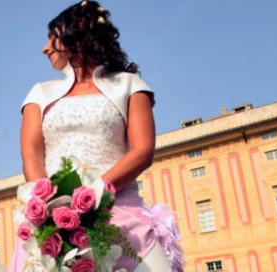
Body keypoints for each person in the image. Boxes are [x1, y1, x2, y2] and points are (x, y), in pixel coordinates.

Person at [11, 1, 183, 271]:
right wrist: (50, 209)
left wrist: (94, 194)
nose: (44, 48)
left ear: (77, 33)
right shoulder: (39, 94)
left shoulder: (129, 85)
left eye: (52, 37)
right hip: (55, 225)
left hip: (122, 216)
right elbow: (31, 153)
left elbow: (143, 150)